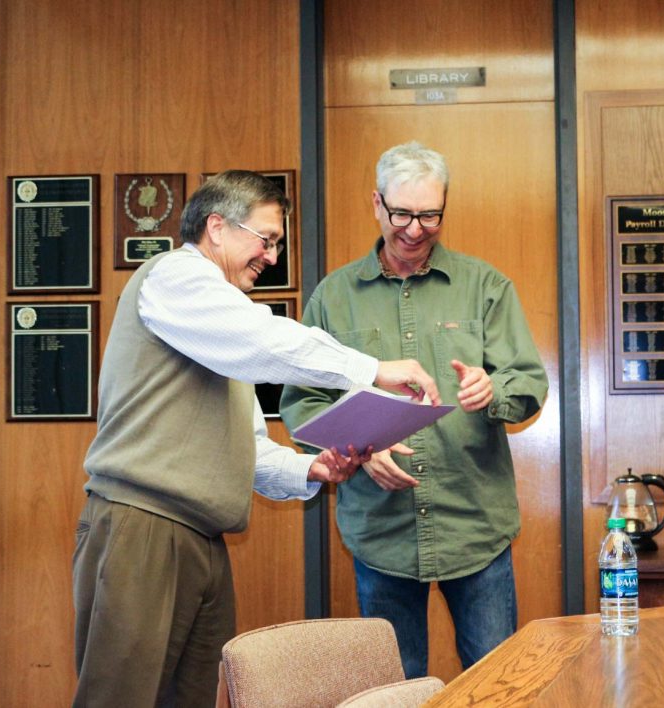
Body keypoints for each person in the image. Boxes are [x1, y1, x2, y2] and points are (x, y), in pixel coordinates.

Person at [72, 170, 441, 708]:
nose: (271, 257)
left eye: (277, 245)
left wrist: (311, 469)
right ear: (217, 227)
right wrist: (370, 369)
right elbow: (263, 338)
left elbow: (246, 445)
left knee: (191, 699)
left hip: (202, 540)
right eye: (266, 240)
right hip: (144, 528)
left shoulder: (222, 333)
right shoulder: (176, 276)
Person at [280, 142, 548, 679]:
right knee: (393, 688)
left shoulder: (485, 287)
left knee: (495, 683)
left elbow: (530, 384)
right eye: (401, 213)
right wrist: (360, 446)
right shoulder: (334, 297)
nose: (415, 228)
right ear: (376, 204)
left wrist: (491, 390)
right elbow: (303, 401)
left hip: (475, 525)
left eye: (430, 215)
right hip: (381, 531)